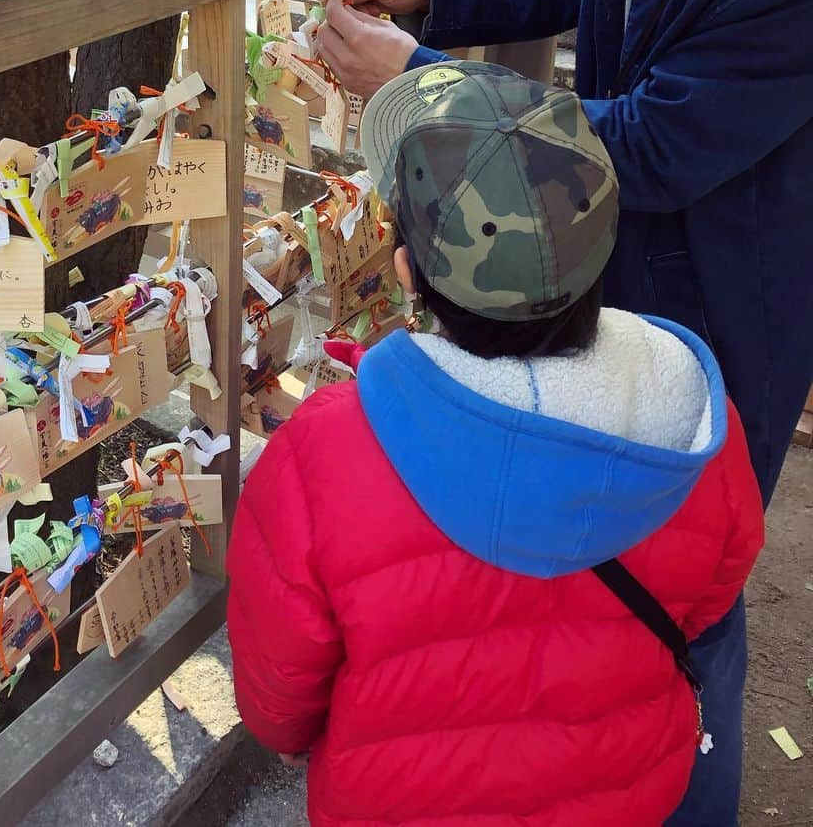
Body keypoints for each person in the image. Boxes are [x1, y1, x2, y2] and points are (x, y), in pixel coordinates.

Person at [316, 0, 812, 825]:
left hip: (723, 301)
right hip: (609, 272)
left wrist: (422, 86)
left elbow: (655, 148)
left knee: (679, 595)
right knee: (580, 586)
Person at [227, 62, 763, 827]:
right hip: (625, 789)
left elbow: (281, 685)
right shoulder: (694, 418)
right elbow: (711, 592)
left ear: (408, 271)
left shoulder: (324, 457)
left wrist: (291, 732)